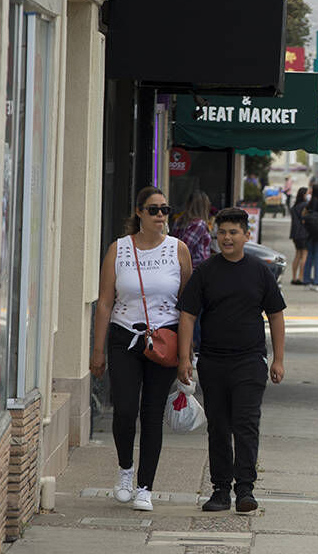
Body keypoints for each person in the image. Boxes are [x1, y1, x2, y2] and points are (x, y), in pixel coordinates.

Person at [90, 186, 192, 512]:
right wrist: (97, 351)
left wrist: (187, 356)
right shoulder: (118, 250)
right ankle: (125, 471)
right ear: (139, 213)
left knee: (151, 414)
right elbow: (105, 303)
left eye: (165, 209)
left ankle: (145, 486)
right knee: (124, 409)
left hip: (165, 339)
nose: (161, 215)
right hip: (125, 337)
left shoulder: (179, 250)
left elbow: (188, 307)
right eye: (154, 210)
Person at [177, 208, 285, 514]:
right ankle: (220, 490)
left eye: (233, 232)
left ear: (246, 236)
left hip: (250, 361)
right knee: (219, 427)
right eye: (222, 232)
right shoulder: (206, 272)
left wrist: (278, 359)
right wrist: (184, 358)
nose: (227, 238)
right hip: (212, 362)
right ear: (216, 236)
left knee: (246, 425)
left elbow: (276, 315)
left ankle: (246, 490)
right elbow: (187, 314)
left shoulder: (259, 272)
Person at [173, 191, 212, 266]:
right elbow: (184, 247)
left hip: (182, 266)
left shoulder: (179, 221)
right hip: (197, 267)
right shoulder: (199, 224)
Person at [288, 186, 308, 285]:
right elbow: (305, 218)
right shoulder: (305, 205)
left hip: (295, 233)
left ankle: (294, 277)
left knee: (297, 255)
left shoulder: (294, 207)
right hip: (304, 232)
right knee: (304, 255)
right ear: (304, 195)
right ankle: (301, 277)